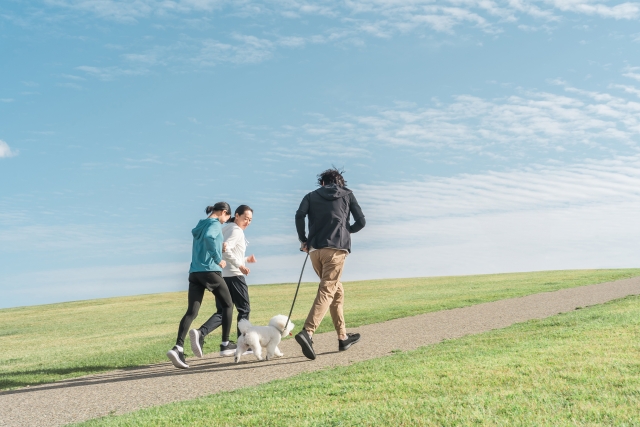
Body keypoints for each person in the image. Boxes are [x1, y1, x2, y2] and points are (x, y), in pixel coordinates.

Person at [293, 168, 366, 360]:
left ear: (323, 183)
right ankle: (308, 332)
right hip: (336, 249)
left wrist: (304, 240)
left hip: (315, 251)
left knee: (336, 291)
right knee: (327, 290)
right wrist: (346, 230)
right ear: (340, 183)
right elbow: (362, 221)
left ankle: (343, 337)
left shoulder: (310, 196)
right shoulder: (347, 195)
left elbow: (299, 216)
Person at [166, 202, 235, 369]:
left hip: (194, 273)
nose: (224, 222)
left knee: (192, 311)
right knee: (228, 305)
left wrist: (219, 248)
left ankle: (178, 348)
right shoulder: (214, 224)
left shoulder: (201, 224)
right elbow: (210, 238)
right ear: (223, 213)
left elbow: (206, 240)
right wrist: (218, 258)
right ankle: (225, 343)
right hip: (209, 271)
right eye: (225, 219)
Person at [190, 205, 257, 357]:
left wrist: (245, 259)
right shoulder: (237, 231)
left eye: (250, 220)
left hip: (222, 275)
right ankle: (244, 344)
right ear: (237, 215)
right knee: (244, 309)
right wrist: (240, 265)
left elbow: (225, 251)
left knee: (223, 310)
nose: (247, 222)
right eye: (245, 218)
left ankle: (201, 332)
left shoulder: (226, 228)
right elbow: (225, 250)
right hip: (234, 275)